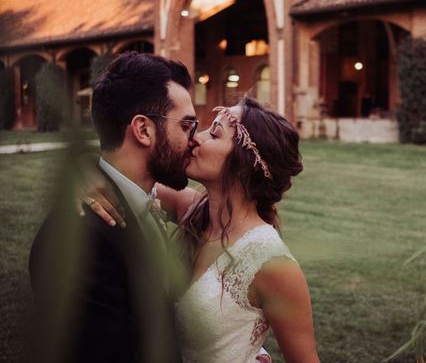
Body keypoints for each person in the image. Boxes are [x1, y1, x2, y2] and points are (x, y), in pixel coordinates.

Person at [89, 98, 321, 363]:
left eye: (214, 133)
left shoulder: (273, 265)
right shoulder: (192, 209)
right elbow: (122, 179)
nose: (196, 139)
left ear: (244, 164)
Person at [29, 52, 198, 363]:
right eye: (187, 126)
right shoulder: (82, 243)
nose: (195, 140)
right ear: (143, 130)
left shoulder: (141, 203)